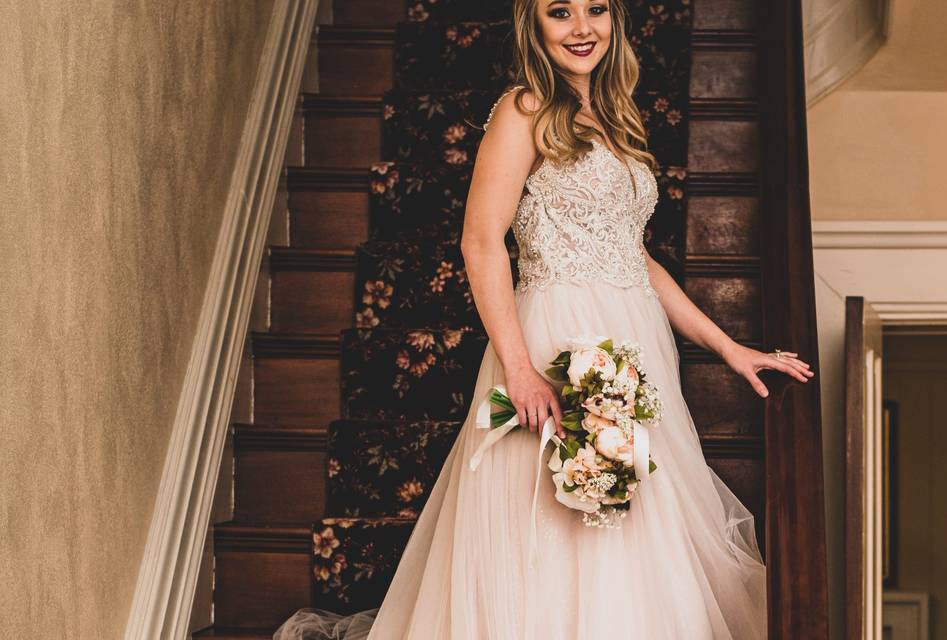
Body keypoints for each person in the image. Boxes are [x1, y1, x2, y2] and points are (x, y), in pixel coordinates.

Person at [274, 0, 814, 638]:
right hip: (558, 335)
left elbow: (632, 256)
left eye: (597, 9)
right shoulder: (525, 108)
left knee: (630, 520)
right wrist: (520, 368)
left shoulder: (618, 116)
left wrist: (728, 347)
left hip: (634, 340)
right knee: (556, 522)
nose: (582, 28)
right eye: (561, 12)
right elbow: (480, 241)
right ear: (533, 25)